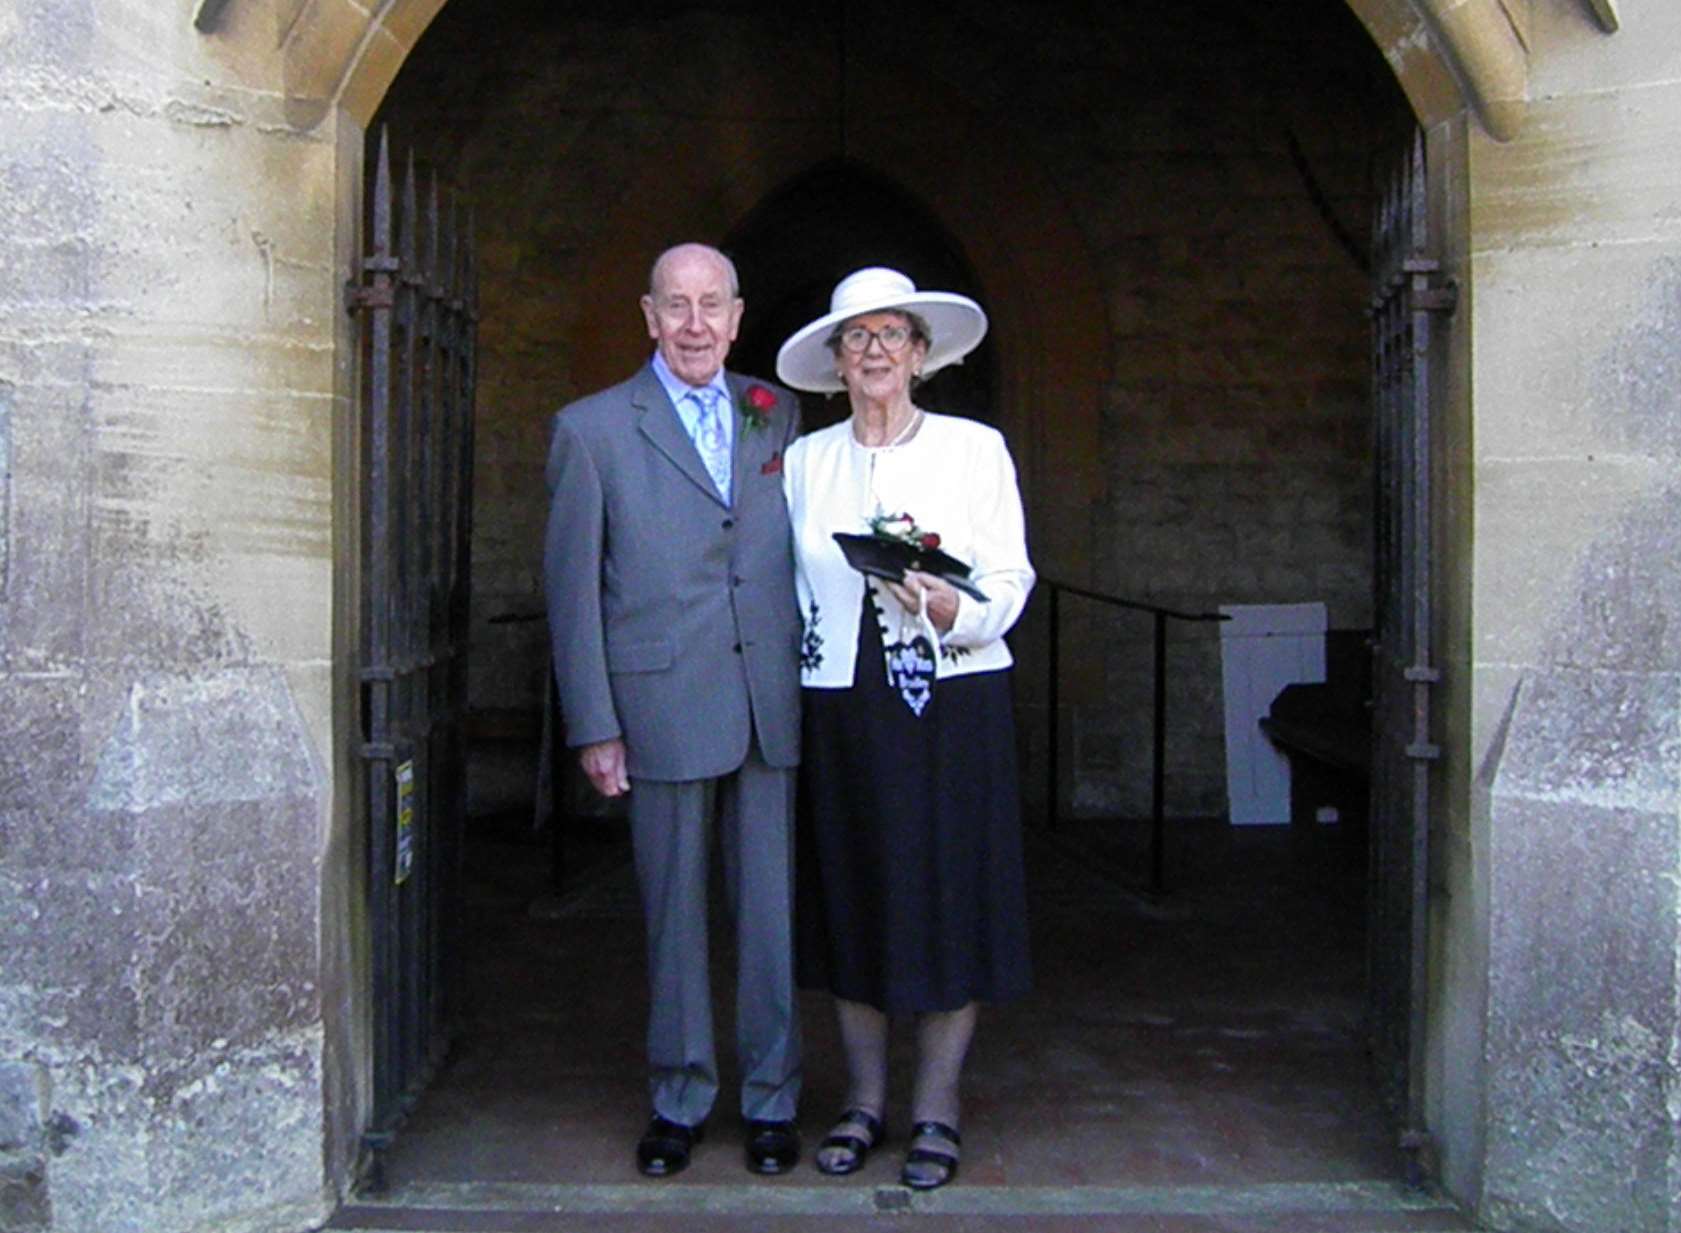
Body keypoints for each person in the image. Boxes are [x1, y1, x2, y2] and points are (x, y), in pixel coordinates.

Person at [543, 243, 803, 1178]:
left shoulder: (779, 415)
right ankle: (681, 1095)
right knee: (674, 915)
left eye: (713, 306)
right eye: (676, 307)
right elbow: (572, 589)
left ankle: (773, 1099)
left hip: (769, 702)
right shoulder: (593, 428)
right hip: (657, 702)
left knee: (770, 914)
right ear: (648, 316)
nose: (696, 325)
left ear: (738, 316)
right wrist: (593, 722)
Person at [775, 267, 1034, 1189]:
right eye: (858, 338)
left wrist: (949, 605)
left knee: (947, 891)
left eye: (893, 335)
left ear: (921, 355)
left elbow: (1011, 579)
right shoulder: (806, 462)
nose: (876, 351)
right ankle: (862, 1099)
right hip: (842, 699)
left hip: (952, 701)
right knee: (853, 888)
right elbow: (785, 587)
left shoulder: (974, 449)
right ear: (837, 363)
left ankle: (937, 1105)